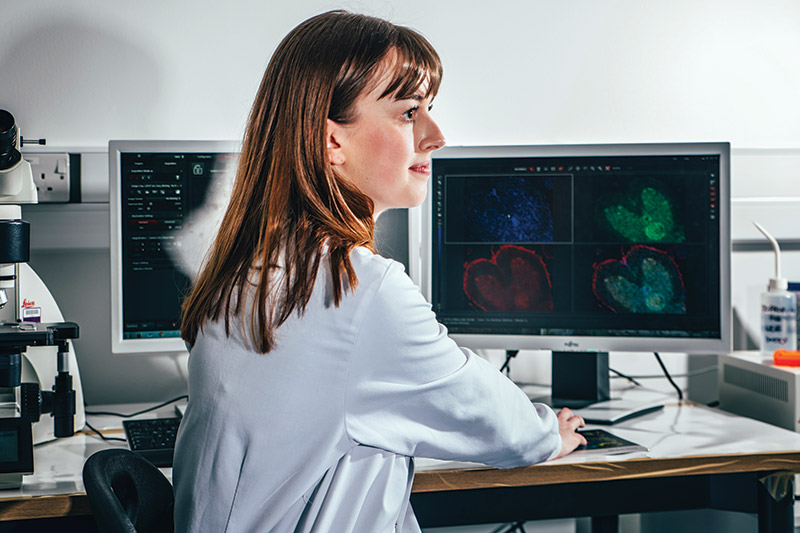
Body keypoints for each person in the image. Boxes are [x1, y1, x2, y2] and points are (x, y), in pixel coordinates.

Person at [173, 10, 586, 533]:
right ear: (332, 141)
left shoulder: (247, 270)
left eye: (430, 109)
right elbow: (501, 426)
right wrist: (549, 433)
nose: (436, 136)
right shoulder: (358, 289)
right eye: (409, 112)